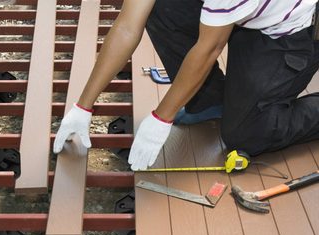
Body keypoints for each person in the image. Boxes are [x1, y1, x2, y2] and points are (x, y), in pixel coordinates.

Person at [54, 0, 319, 171]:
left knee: (245, 134)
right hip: (242, 16)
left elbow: (209, 48)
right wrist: (83, 106)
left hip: (287, 33)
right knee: (162, 7)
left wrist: (161, 118)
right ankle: (209, 101)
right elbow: (126, 27)